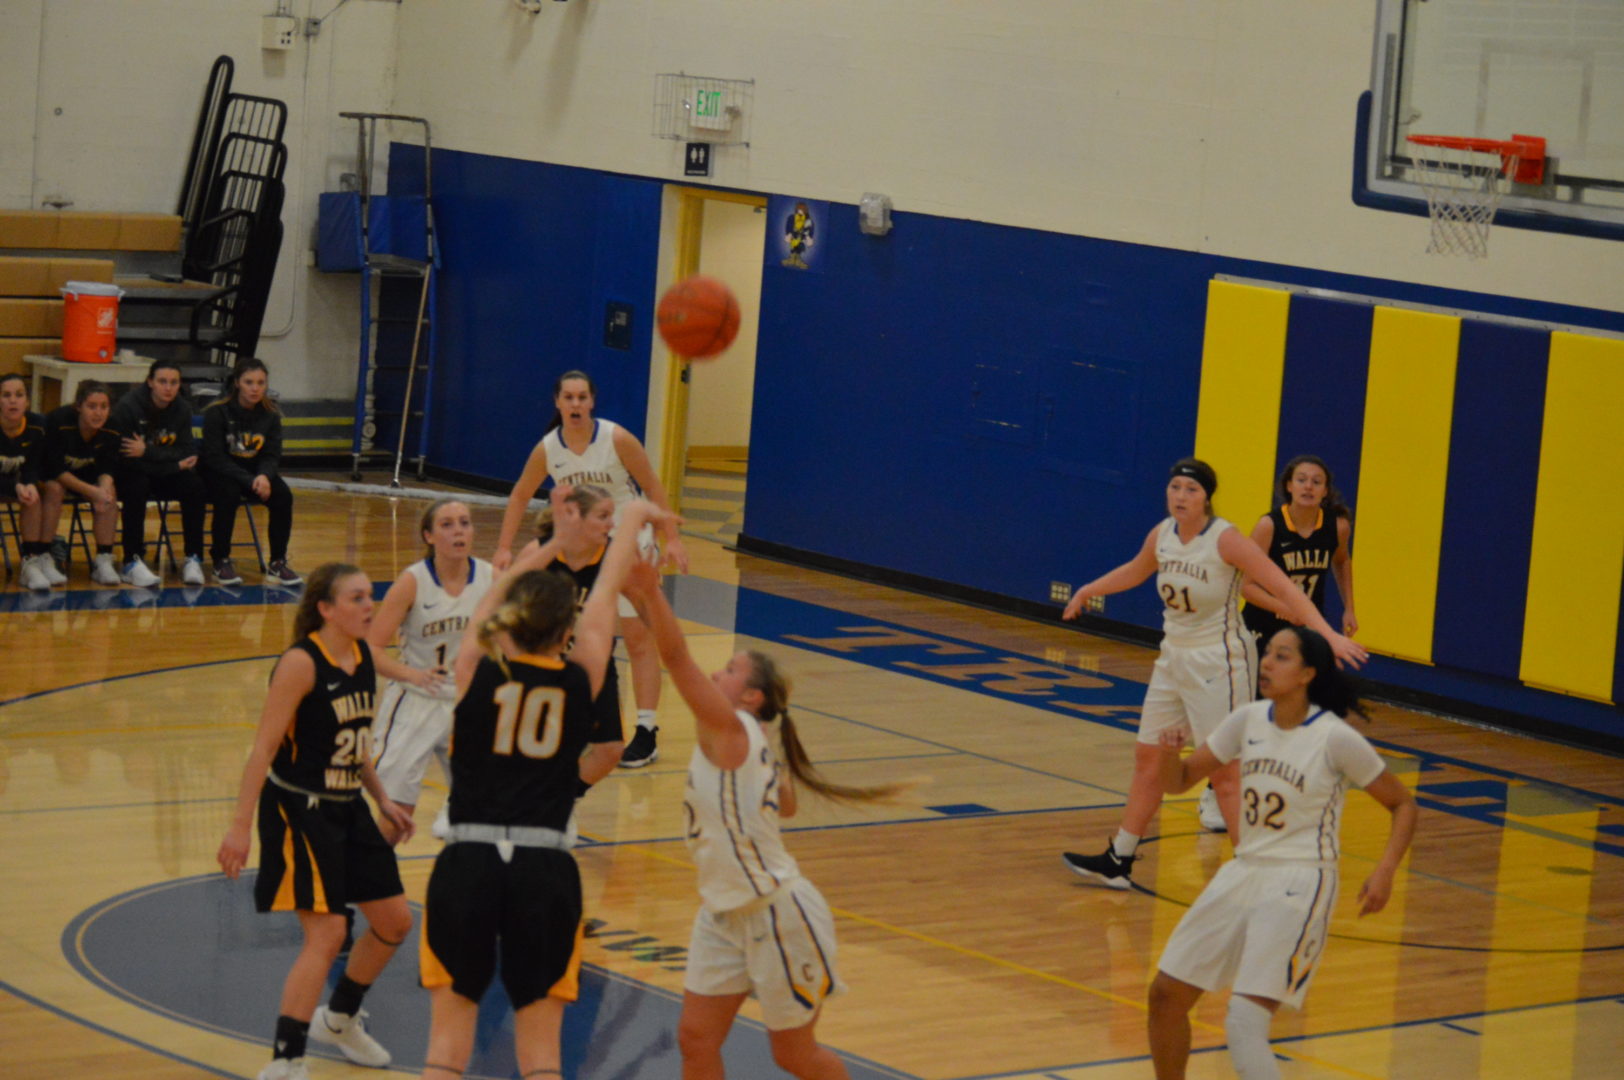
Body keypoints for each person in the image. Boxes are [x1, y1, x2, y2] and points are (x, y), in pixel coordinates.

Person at [618, 559, 905, 1080]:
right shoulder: (747, 740)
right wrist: (641, 593)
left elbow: (676, 657)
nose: (714, 674)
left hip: (776, 912)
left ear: (751, 697)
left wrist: (653, 595)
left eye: (728, 671)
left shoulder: (732, 730)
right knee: (695, 1039)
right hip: (722, 912)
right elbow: (786, 805)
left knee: (794, 1055)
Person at [416, 498, 663, 1080]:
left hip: (469, 860)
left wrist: (551, 544)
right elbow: (601, 606)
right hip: (543, 866)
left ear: (509, 624)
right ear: (565, 632)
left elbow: (489, 600)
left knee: (447, 1049)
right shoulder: (579, 681)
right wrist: (630, 524)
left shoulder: (476, 671)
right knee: (543, 1057)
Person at [1058, 458, 1366, 889]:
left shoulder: (1225, 539)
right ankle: (1119, 858)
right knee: (1149, 758)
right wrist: (1089, 590)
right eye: (1175, 488)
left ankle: (1254, 875)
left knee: (1225, 774)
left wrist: (1329, 636)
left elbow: (1284, 588)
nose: (1181, 496)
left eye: (1191, 490)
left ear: (1206, 498)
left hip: (1219, 663)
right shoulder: (1162, 534)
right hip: (1173, 659)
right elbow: (1136, 569)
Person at [1146, 626, 1417, 1080]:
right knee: (1164, 996)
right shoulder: (1247, 720)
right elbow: (1179, 781)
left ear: (1308, 673)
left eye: (1282, 656)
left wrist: (1385, 871)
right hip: (1244, 871)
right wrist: (1168, 754)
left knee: (1244, 1022)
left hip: (1300, 881)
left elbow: (1403, 804)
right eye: (1268, 653)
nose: (1267, 662)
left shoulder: (1334, 738)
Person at [217, 563, 442, 1080]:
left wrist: (382, 799)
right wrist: (239, 827)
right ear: (326, 609)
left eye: (369, 596)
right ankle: (287, 1059)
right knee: (328, 933)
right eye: (357, 597)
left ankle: (338, 1019)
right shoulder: (301, 663)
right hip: (299, 809)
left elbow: (355, 741)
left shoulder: (362, 655)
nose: (369, 605)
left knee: (395, 922)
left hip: (348, 805)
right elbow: (263, 749)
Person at [491, 369, 688, 769]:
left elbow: (653, 486)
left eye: (582, 397)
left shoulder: (617, 438)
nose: (576, 404)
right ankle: (585, 722)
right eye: (569, 397)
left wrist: (672, 538)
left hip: (630, 546)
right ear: (558, 403)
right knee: (579, 638)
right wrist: (503, 548)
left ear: (592, 401)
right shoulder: (548, 448)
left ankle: (646, 731)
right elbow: (520, 495)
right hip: (581, 550)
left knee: (637, 640)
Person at [1183, 455, 1360, 833]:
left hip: (1303, 634)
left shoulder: (1337, 526)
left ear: (1325, 491)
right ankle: (1214, 791)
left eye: (1316, 481)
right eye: (1302, 480)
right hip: (1261, 629)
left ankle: (1278, 792)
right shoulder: (1270, 526)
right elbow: (1245, 585)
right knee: (1249, 715)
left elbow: (1342, 561)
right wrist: (1284, 607)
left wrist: (1349, 607)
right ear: (1289, 486)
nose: (1308, 486)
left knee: (1295, 715)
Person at [367, 498, 494, 840]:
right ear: (429, 536)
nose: (458, 531)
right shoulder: (413, 582)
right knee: (397, 818)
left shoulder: (490, 578)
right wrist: (412, 675)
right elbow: (370, 650)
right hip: (416, 701)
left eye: (465, 522)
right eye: (447, 524)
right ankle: (364, 872)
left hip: (468, 704)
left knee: (482, 815)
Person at [109, 359, 208, 587]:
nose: (168, 388)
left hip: (163, 471)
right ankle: (132, 561)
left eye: (174, 382)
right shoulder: (128, 407)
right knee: (137, 485)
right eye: (162, 381)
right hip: (130, 471)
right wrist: (172, 464)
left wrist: (148, 451)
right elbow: (127, 458)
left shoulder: (182, 408)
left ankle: (193, 558)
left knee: (194, 486)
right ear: (150, 382)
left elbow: (187, 451)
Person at [201, 357, 300, 586]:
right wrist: (249, 480)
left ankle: (277, 562)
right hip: (223, 471)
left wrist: (264, 476)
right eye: (249, 382)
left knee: (283, 496)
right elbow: (214, 457)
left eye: (260, 383)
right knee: (228, 494)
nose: (255, 388)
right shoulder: (217, 413)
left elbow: (272, 454)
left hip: (256, 472)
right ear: (237, 383)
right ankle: (220, 560)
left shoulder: (271, 415)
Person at [41, 381, 123, 586]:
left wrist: (103, 489)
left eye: (104, 407)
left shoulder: (113, 427)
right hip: (53, 475)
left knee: (110, 492)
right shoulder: (58, 421)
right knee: (54, 489)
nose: (98, 413)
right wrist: (92, 492)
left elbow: (108, 467)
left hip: (88, 475)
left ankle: (103, 559)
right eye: (92, 406)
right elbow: (55, 469)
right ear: (78, 406)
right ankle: (43, 556)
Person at [0, 373, 64, 591]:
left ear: (27, 401)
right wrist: (15, 486)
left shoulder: (38, 425)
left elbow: (34, 464)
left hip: (18, 482)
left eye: (19, 395)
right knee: (27, 491)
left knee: (42, 491)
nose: (13, 400)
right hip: (6, 484)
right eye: (6, 395)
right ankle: (32, 560)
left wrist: (28, 483)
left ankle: (36, 558)